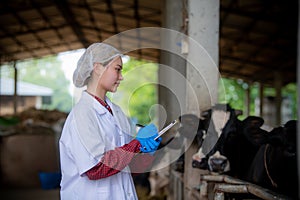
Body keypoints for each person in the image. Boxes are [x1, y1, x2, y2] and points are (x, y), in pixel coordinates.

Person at [59, 43, 162, 199]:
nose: (121, 77)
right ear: (98, 68)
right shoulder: (82, 114)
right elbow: (96, 169)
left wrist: (146, 154)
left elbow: (126, 166)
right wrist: (136, 144)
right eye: (117, 69)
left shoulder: (118, 113)